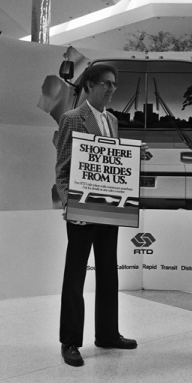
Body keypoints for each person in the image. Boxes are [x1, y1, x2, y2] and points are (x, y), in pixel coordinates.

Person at [55, 63, 137, 367]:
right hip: (81, 211)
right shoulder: (72, 118)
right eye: (107, 83)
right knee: (75, 276)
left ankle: (107, 333)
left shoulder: (113, 121)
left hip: (109, 209)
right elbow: (62, 170)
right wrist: (69, 205)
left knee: (108, 272)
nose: (113, 89)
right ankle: (70, 342)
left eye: (115, 84)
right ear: (89, 85)